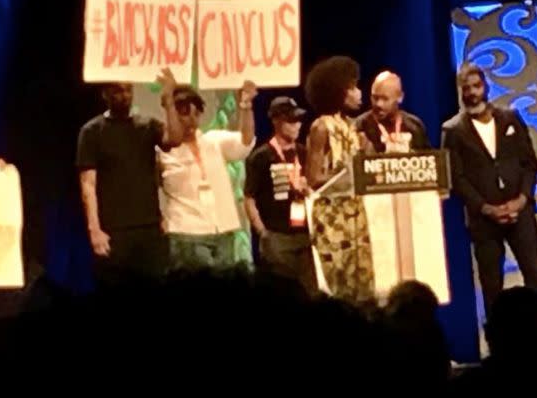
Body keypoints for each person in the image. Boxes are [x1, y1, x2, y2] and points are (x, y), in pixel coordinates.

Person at [440, 63, 537, 323]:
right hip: (483, 221)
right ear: (460, 92)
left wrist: (521, 200)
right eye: (466, 89)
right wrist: (487, 208)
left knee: (535, 277)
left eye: (476, 87)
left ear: (486, 87)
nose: (472, 93)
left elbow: (529, 163)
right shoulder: (453, 131)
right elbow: (456, 178)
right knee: (492, 287)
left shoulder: (510, 118)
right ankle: (498, 346)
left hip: (520, 214)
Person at [76, 69, 184, 287]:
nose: (124, 96)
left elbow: (174, 138)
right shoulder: (92, 131)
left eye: (128, 90)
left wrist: (169, 99)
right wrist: (94, 229)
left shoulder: (146, 125)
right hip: (114, 231)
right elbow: (88, 184)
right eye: (117, 91)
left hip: (149, 228)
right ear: (105, 94)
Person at [158, 82, 257, 271]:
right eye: (184, 113)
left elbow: (245, 141)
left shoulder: (213, 141)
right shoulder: (163, 151)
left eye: (196, 113)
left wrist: (245, 106)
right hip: (186, 232)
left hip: (223, 231)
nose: (191, 120)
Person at [305, 56, 375, 302]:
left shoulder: (353, 128)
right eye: (353, 87)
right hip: (333, 216)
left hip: (355, 211)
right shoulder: (321, 127)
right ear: (338, 92)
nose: (359, 93)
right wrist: (341, 174)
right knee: (340, 286)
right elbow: (313, 177)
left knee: (364, 283)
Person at [245, 96, 318, 297]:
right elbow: (249, 198)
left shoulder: (305, 153)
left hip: (304, 235)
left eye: (299, 121)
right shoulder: (260, 157)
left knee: (309, 294)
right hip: (276, 237)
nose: (297, 126)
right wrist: (262, 232)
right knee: (280, 295)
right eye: (291, 121)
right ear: (276, 121)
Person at [354, 70, 430, 153]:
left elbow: (430, 160)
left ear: (400, 97)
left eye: (385, 99)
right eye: (375, 98)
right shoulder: (360, 126)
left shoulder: (414, 126)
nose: (379, 104)